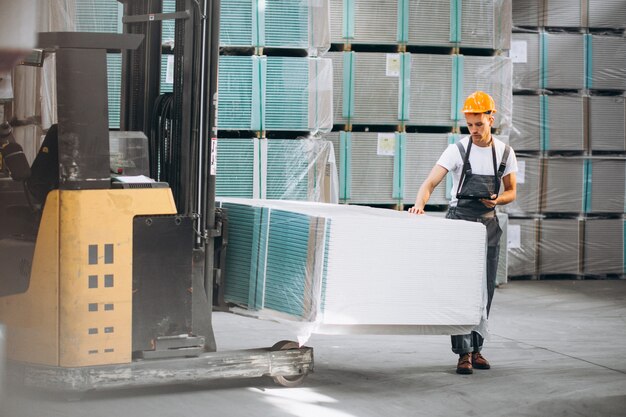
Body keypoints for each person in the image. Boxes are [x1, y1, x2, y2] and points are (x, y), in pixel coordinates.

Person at [408, 91, 518, 374]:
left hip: (489, 224)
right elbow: (429, 183)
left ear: (491, 119)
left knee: (485, 289)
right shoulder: (456, 150)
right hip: (460, 223)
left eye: (479, 124)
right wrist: (419, 205)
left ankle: (478, 349)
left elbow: (512, 192)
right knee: (460, 289)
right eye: (469, 125)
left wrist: (497, 200)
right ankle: (463, 354)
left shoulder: (505, 153)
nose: (474, 130)